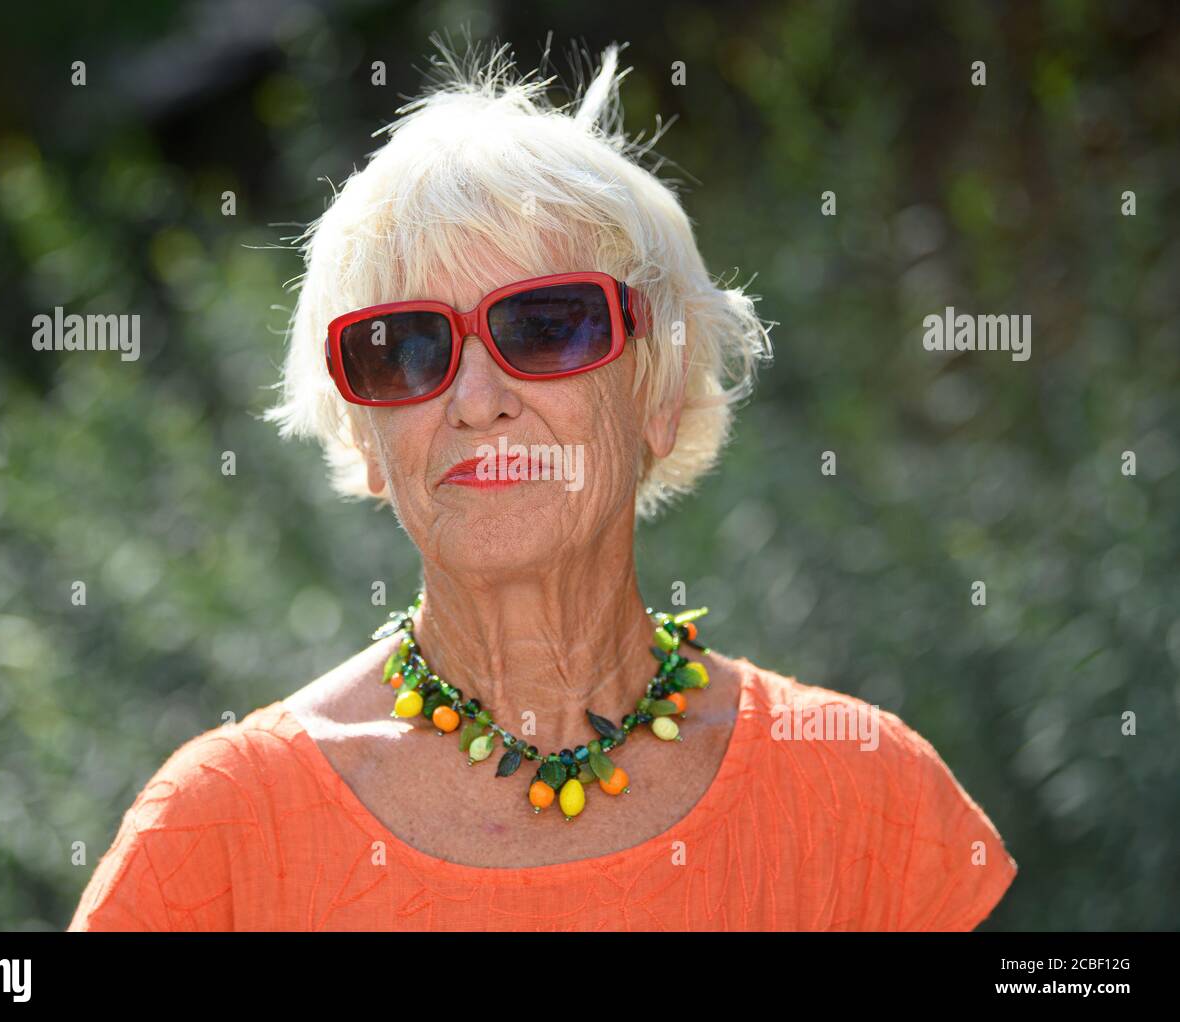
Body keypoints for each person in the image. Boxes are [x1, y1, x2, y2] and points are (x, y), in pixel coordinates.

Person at [69, 40, 1016, 931]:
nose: (478, 402)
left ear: (657, 392)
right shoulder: (221, 837)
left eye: (548, 325)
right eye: (404, 348)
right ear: (364, 434)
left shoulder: (861, 793)